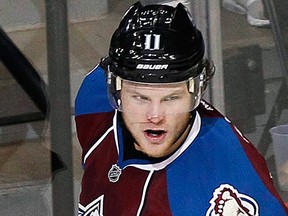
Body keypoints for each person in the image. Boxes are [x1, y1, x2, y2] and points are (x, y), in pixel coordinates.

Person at [75, 2, 288, 215]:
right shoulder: (94, 102)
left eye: (171, 98)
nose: (155, 116)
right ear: (115, 90)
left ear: (198, 90)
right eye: (140, 97)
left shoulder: (228, 176)